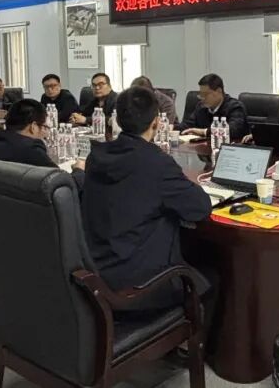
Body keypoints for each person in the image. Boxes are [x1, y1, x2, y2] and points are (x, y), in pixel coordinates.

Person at [81, 86, 213, 314]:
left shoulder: (97, 156)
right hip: (139, 287)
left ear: (118, 120)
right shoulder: (157, 164)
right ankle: (189, 335)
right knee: (213, 278)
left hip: (97, 277)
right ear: (156, 122)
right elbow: (201, 208)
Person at [0, 99, 85, 186]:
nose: (46, 134)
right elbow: (65, 186)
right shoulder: (31, 149)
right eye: (45, 127)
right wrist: (79, 170)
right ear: (33, 127)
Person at [178, 73, 248, 141]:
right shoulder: (201, 106)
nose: (202, 98)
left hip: (228, 147)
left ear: (219, 91)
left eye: (205, 94)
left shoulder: (235, 107)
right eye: (201, 94)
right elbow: (187, 125)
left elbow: (233, 131)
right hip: (204, 146)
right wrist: (173, 127)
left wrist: (204, 132)